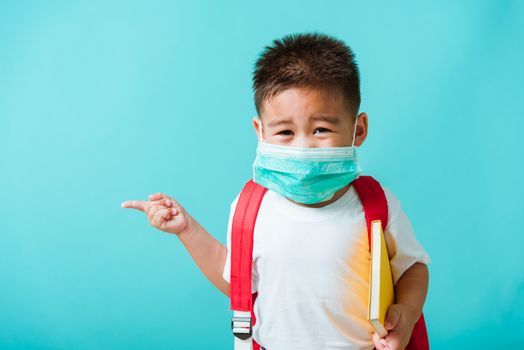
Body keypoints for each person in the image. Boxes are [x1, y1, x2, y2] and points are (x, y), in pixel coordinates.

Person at [121, 32, 430, 350]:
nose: (304, 147)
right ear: (260, 132)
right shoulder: (250, 209)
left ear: (358, 130)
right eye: (285, 132)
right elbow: (237, 281)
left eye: (321, 129)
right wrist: (186, 229)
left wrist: (405, 315)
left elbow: (412, 269)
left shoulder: (377, 206)